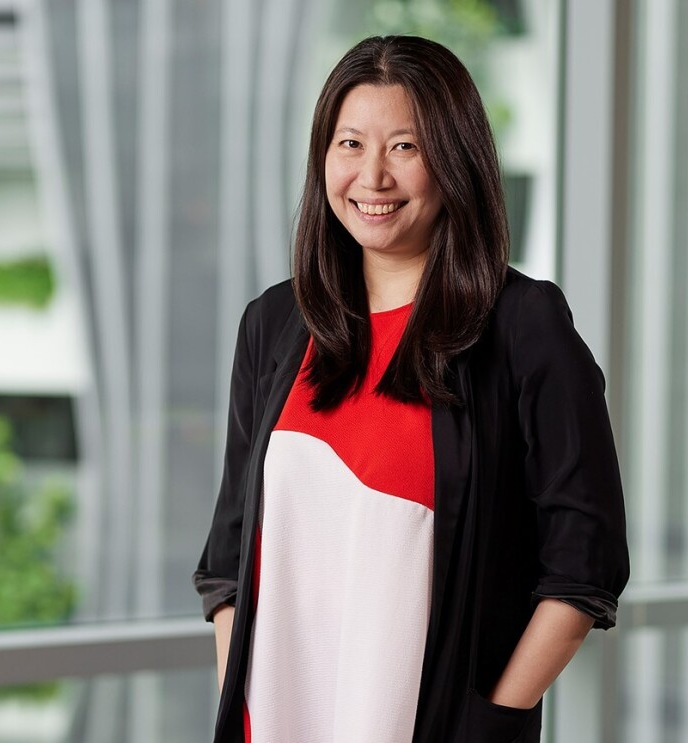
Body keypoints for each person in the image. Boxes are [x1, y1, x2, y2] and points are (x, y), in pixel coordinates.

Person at [193, 35, 630, 743]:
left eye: (405, 147)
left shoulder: (523, 326)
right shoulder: (274, 324)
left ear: (455, 160)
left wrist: (491, 717)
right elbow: (228, 563)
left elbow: (585, 565)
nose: (373, 176)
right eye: (350, 143)